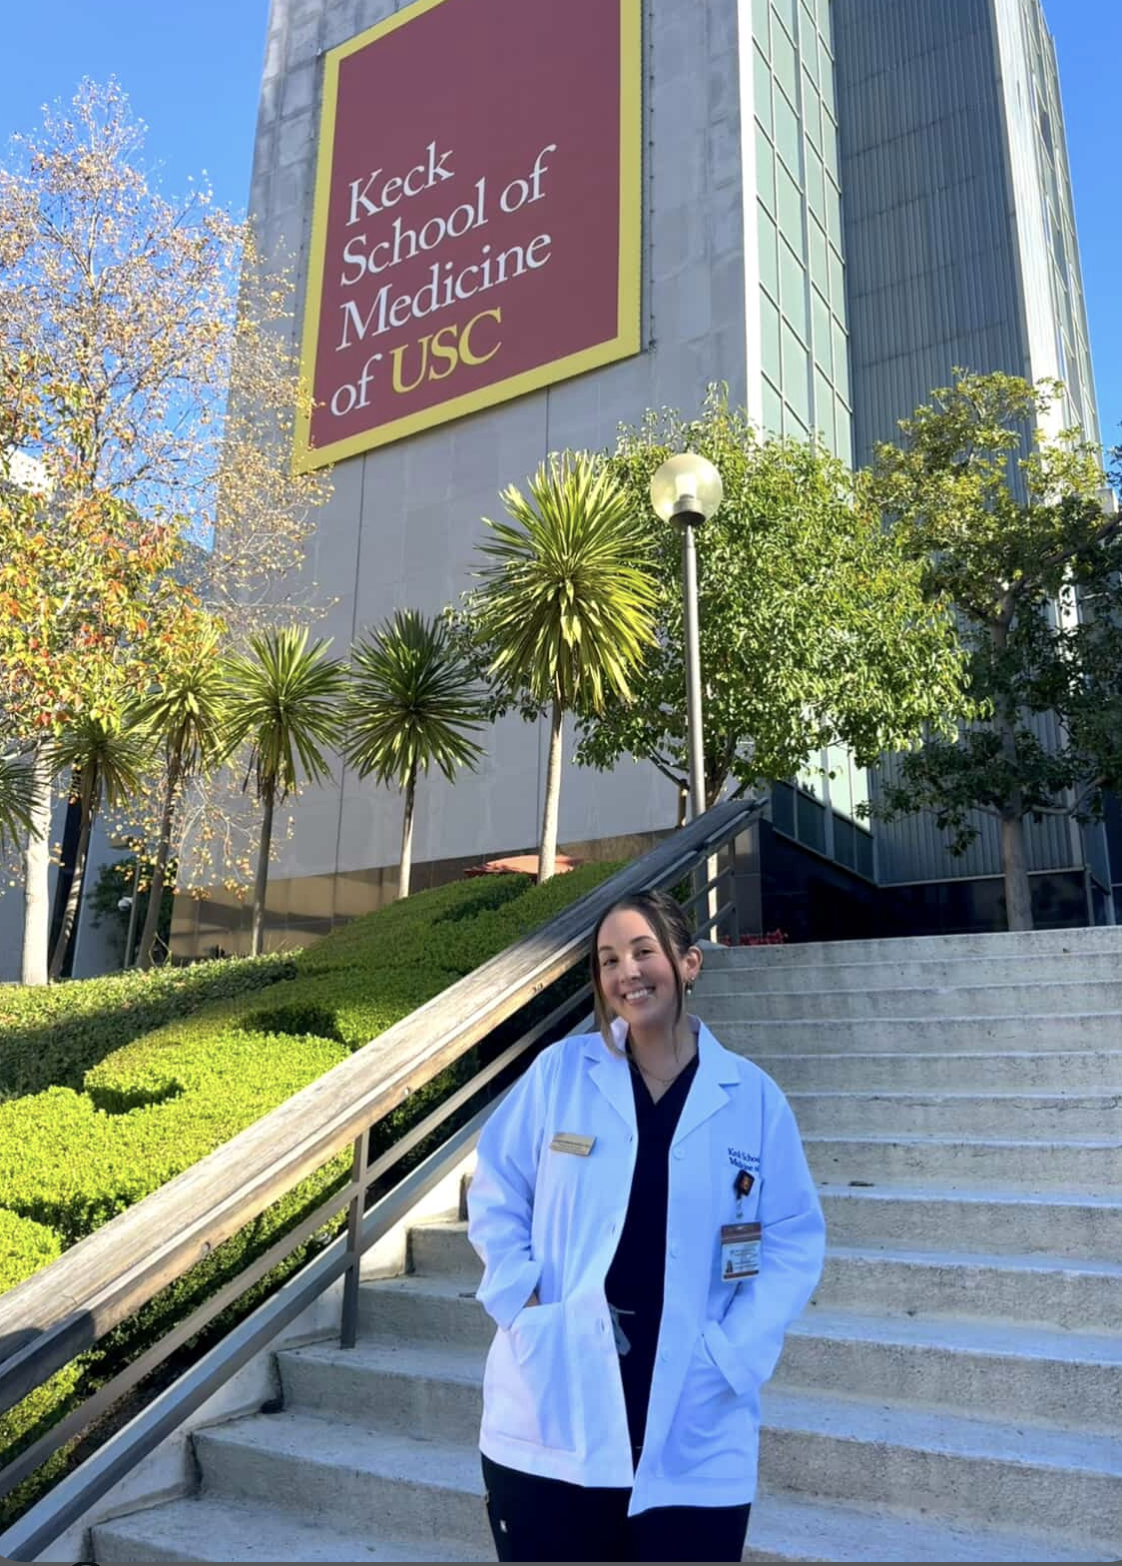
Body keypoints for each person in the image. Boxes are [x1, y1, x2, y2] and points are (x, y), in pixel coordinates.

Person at [467, 890, 825, 1563]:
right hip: (553, 1406)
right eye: (608, 960)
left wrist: (732, 1350)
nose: (626, 971)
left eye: (643, 951)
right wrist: (522, 1297)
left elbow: (788, 1239)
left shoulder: (751, 1098)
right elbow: (496, 1189)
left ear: (689, 963)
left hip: (696, 1412)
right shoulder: (560, 1076)